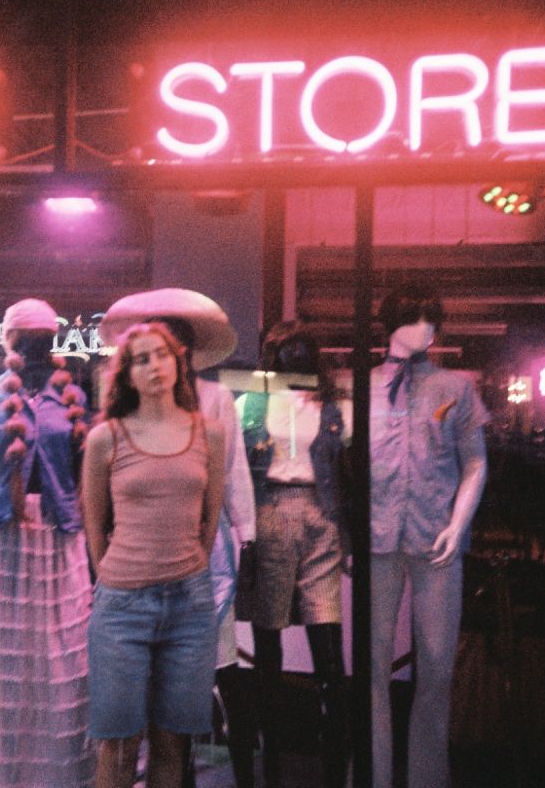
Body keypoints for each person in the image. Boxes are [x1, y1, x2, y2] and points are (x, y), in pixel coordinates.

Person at [97, 288, 257, 788]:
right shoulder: (119, 416)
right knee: (125, 716)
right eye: (152, 349)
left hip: (199, 562)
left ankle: (236, 772)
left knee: (205, 682)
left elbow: (230, 475)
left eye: (173, 347)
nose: (164, 358)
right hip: (133, 567)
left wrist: (238, 536)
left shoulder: (215, 401)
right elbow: (99, 503)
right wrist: (108, 571)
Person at [0, 298, 94, 788]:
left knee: (61, 662)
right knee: (5, 665)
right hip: (3, 536)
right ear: (8, 341)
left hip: (59, 538)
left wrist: (93, 554)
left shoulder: (72, 397)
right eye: (27, 337)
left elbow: (83, 480)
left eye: (45, 337)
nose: (36, 346)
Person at [80, 322, 225, 788]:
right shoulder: (107, 437)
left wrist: (190, 568)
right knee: (118, 747)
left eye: (160, 354)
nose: (154, 365)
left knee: (172, 746)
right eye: (141, 359)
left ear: (177, 360)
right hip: (123, 606)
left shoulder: (211, 433)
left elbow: (211, 516)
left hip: (190, 605)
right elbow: (94, 524)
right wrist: (114, 577)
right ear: (126, 375)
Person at [369, 283, 489, 788]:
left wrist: (458, 525)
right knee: (372, 668)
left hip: (436, 539)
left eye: (431, 319)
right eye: (414, 317)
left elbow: (476, 463)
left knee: (437, 667)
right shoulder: (363, 386)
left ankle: (427, 778)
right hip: (376, 539)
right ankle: (372, 773)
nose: (425, 328)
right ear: (391, 321)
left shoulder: (456, 388)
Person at [235, 320, 349, 788]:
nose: (293, 356)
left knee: (328, 638)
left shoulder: (335, 406)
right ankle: (274, 760)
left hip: (321, 513)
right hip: (271, 511)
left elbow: (350, 469)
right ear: (272, 355)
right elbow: (236, 471)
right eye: (284, 349)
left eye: (301, 348)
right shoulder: (252, 403)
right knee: (269, 642)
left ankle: (335, 764)